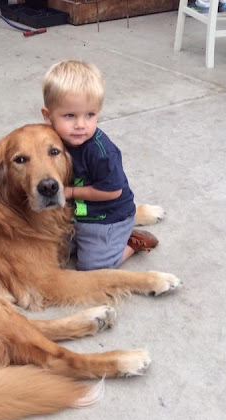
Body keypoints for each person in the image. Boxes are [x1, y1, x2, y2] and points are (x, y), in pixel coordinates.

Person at [41, 60, 159, 271]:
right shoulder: (52, 140)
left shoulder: (101, 152)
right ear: (48, 116)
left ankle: (130, 244)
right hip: (78, 215)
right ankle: (99, 243)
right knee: (54, 251)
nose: (80, 125)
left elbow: (112, 191)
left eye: (90, 115)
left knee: (91, 267)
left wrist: (71, 192)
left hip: (107, 218)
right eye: (70, 115)